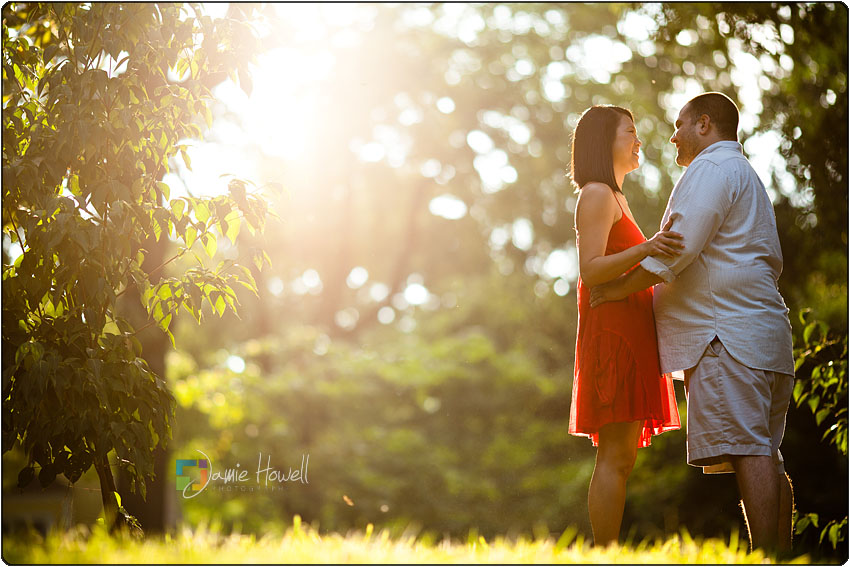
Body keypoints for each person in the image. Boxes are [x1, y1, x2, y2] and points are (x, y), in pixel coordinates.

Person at [589, 92, 795, 554]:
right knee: (767, 452)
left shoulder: (711, 168)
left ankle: (767, 559)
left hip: (727, 337)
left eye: (678, 126)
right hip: (761, 336)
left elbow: (676, 248)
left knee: (750, 451)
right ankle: (782, 558)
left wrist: (620, 289)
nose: (672, 137)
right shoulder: (742, 171)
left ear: (704, 124)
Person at [568, 105, 683, 547]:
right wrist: (648, 247)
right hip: (613, 334)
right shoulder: (597, 194)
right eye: (629, 132)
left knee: (622, 458)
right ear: (604, 142)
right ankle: (604, 552)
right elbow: (591, 269)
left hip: (632, 331)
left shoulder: (617, 198)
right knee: (614, 457)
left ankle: (607, 549)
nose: (638, 141)